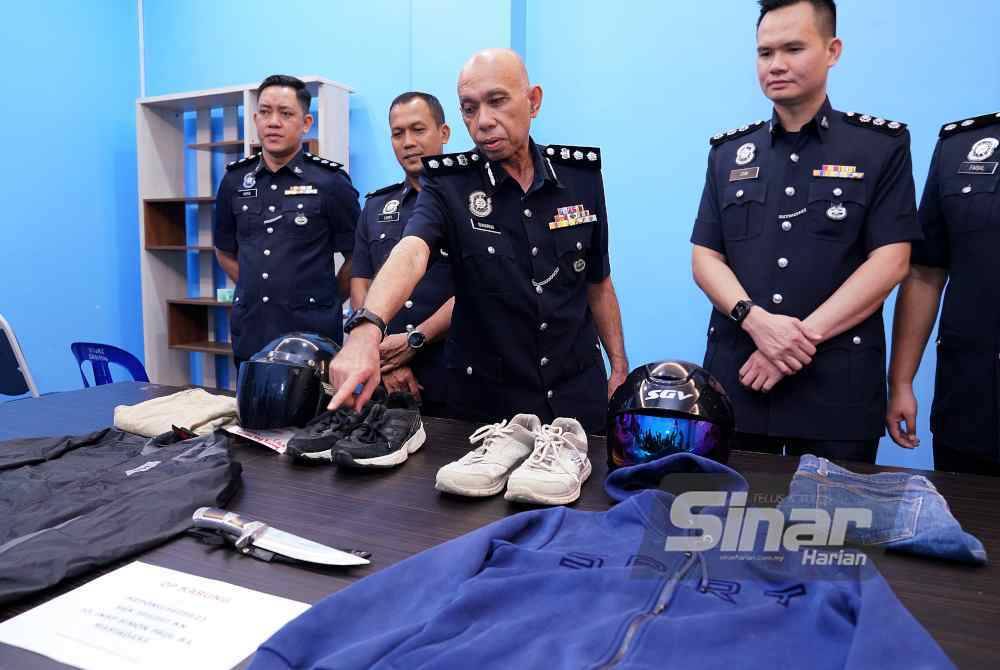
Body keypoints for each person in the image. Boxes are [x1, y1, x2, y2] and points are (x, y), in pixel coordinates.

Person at [329, 49, 628, 434]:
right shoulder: (448, 184)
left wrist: (619, 364)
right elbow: (411, 251)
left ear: (532, 101)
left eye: (497, 101)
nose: (483, 121)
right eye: (469, 109)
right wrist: (365, 331)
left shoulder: (580, 178)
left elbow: (598, 282)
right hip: (490, 405)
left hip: (576, 393)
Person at [689, 0, 918, 463]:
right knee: (733, 524)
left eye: (793, 48)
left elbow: (891, 261)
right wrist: (756, 321)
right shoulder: (729, 154)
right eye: (764, 52)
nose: (776, 64)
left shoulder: (879, 148)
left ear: (832, 50)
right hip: (741, 383)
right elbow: (705, 258)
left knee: (835, 533)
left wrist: (792, 340)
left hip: (837, 392)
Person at [213, 74, 359, 370]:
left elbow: (358, 255)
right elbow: (224, 249)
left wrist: (328, 298)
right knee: (251, 413)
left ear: (306, 123)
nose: (273, 122)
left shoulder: (330, 182)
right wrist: (253, 288)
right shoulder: (235, 180)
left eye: (286, 113)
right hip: (252, 328)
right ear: (255, 119)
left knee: (315, 415)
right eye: (265, 112)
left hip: (311, 334)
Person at [886, 111, 1000, 476]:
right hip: (973, 400)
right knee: (967, 526)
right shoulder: (962, 146)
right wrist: (901, 381)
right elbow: (925, 272)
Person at [352, 91, 455, 417]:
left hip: (454, 367)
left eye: (418, 129)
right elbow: (361, 284)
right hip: (387, 376)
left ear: (444, 133)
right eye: (398, 133)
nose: (408, 141)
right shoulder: (376, 206)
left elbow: (481, 289)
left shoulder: (472, 204)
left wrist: (413, 342)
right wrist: (380, 357)